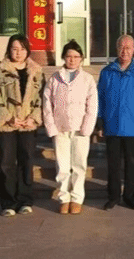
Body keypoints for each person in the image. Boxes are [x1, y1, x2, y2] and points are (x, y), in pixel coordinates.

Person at [0, 34, 45, 217]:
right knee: (7, 164)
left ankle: (25, 200)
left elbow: (41, 98)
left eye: (22, 49)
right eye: (14, 49)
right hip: (7, 126)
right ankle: (8, 203)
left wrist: (34, 118)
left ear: (28, 50)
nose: (18, 53)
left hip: (27, 125)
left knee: (26, 163)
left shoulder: (37, 71)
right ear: (9, 50)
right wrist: (7, 117)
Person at [97, 35, 134, 211]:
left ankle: (130, 196)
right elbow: (100, 99)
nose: (124, 51)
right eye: (121, 47)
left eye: (128, 47)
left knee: (131, 163)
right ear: (116, 49)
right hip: (112, 124)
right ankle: (113, 196)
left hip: (132, 124)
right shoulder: (107, 72)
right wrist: (100, 122)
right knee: (113, 164)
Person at [42, 40, 98, 215]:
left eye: (76, 56)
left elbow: (92, 105)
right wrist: (51, 127)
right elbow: (47, 104)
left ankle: (77, 198)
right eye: (69, 56)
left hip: (80, 129)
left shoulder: (87, 79)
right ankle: (64, 198)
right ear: (64, 58)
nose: (72, 60)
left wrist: (87, 127)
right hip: (60, 129)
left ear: (81, 58)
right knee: (63, 166)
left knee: (79, 165)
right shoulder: (55, 78)